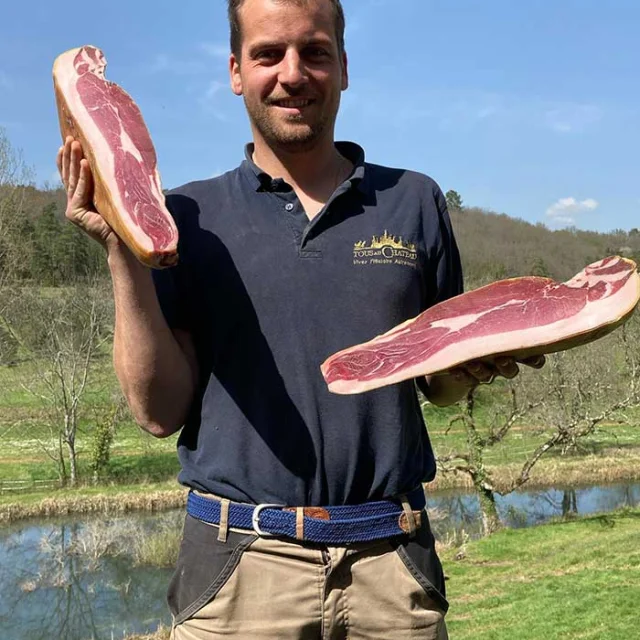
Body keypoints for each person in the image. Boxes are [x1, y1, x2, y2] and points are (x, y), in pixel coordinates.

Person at [57, 0, 544, 637]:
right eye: (268, 54)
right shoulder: (188, 217)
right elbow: (158, 411)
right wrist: (123, 246)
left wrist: (478, 365)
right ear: (236, 71)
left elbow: (439, 385)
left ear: (342, 66)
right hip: (240, 568)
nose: (293, 73)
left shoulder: (413, 200)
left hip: (390, 567)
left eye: (314, 52)